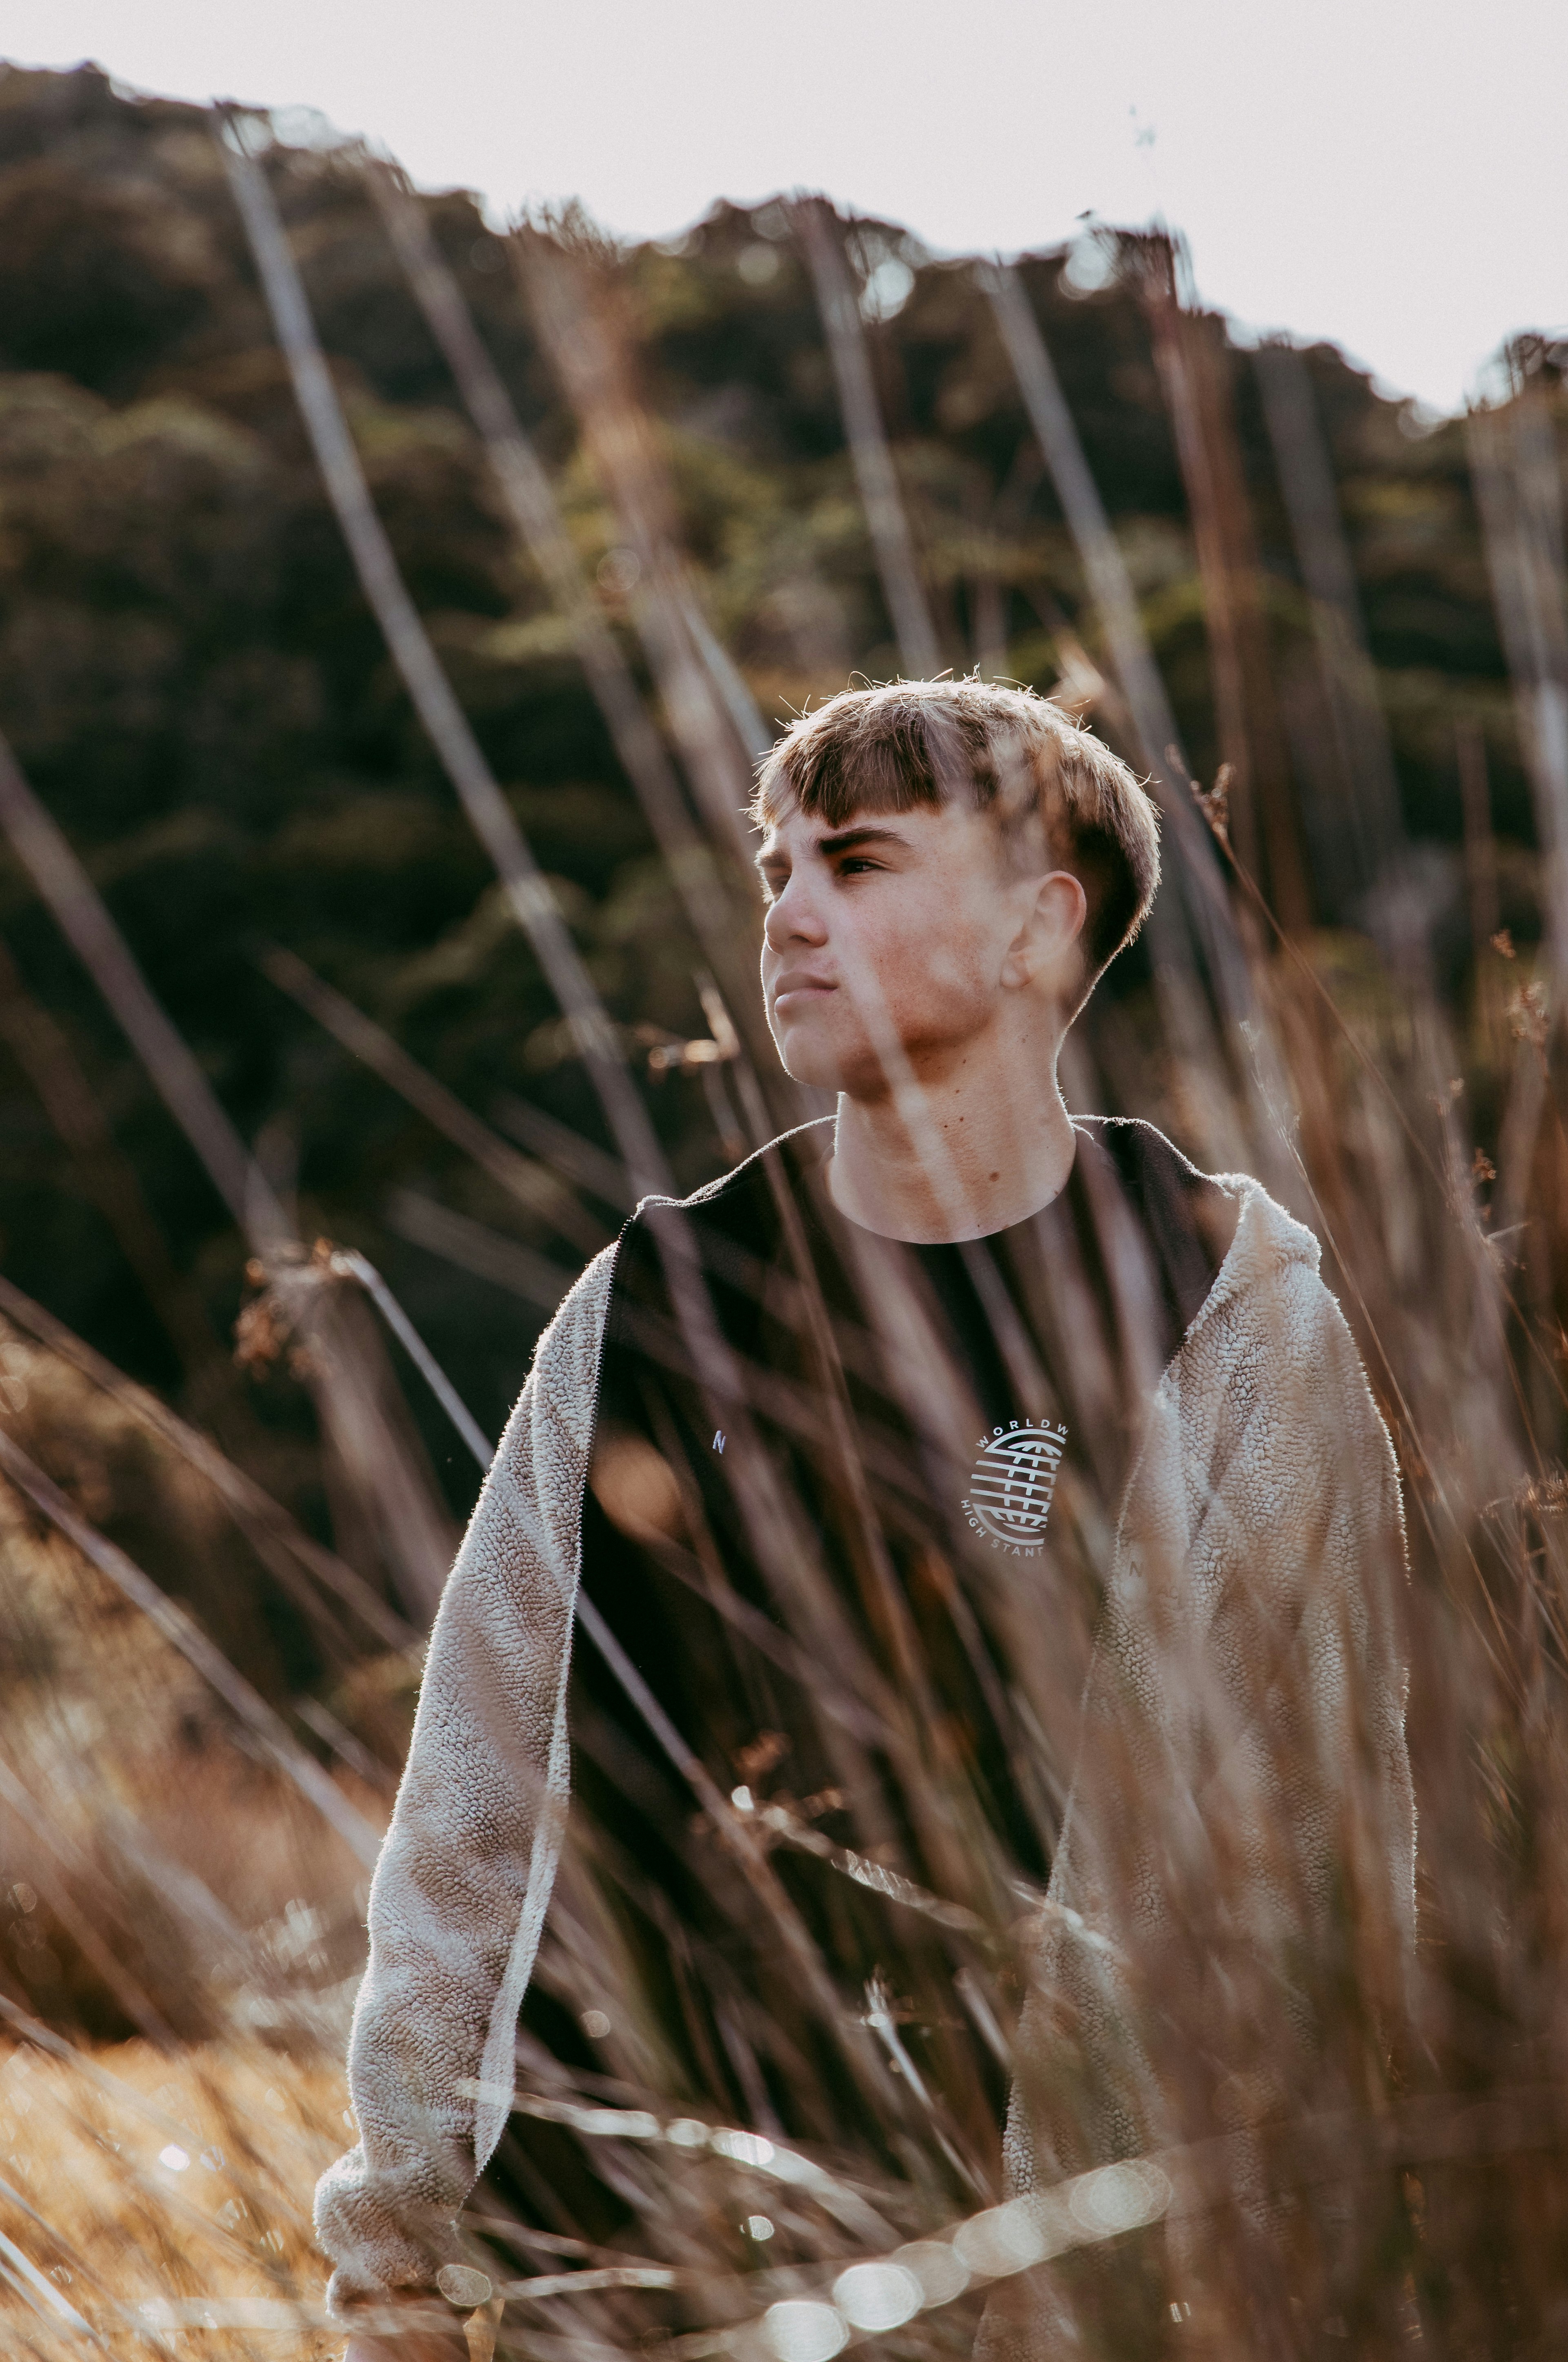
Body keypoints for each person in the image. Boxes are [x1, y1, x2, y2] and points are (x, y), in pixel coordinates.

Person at [318, 679, 1415, 2359]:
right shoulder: (658, 1298)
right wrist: (398, 2238)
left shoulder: (1226, 1314)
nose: (788, 917)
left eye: (855, 862)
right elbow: (472, 1782)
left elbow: (1331, 1836)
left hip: (1034, 2267)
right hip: (611, 2255)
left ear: (1039, 929)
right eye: (772, 873)